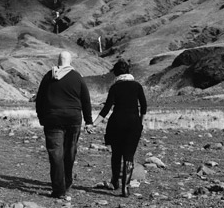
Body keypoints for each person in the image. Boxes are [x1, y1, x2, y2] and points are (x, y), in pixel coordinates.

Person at [35, 50, 94, 199]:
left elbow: (39, 100)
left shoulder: (48, 76)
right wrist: (88, 121)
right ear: (70, 60)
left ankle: (59, 189)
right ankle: (67, 182)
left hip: (52, 118)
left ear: (58, 60)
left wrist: (41, 117)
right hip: (73, 119)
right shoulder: (77, 77)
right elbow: (86, 100)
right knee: (70, 151)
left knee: (55, 154)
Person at [91, 58, 147, 197]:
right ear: (128, 71)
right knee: (129, 156)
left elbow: (107, 108)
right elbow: (144, 106)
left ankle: (115, 182)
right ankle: (126, 187)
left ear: (116, 73)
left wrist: (94, 124)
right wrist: (140, 122)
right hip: (133, 124)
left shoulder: (115, 87)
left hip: (116, 123)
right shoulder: (137, 86)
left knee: (116, 154)